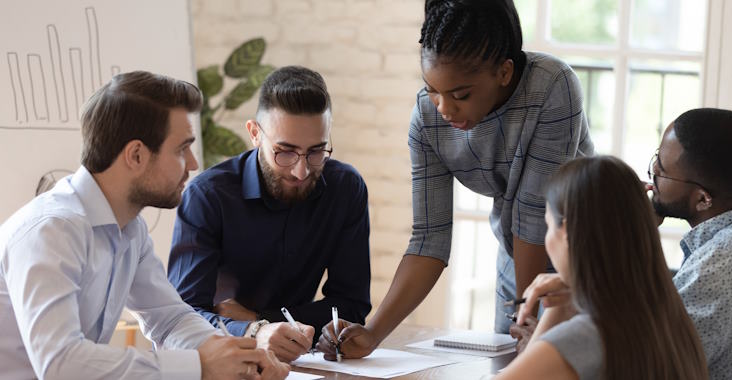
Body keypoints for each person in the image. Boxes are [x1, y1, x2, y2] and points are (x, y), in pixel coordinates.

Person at [318, 0, 593, 358]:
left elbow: (533, 216)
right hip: (518, 252)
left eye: (461, 94)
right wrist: (372, 334)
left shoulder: (552, 86)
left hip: (587, 252)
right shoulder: (427, 119)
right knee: (512, 359)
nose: (444, 108)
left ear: (504, 73)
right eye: (432, 89)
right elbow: (429, 239)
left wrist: (526, 320)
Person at [0, 71, 289, 380]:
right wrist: (199, 366)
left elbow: (170, 319)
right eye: (181, 149)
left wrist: (241, 358)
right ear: (136, 155)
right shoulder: (53, 230)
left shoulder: (129, 229)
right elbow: (61, 364)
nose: (193, 164)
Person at [168, 65, 371, 362]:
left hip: (301, 365)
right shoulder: (208, 196)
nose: (301, 171)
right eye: (285, 151)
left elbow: (351, 306)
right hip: (219, 365)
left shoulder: (346, 188)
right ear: (254, 134)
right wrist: (254, 332)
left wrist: (259, 320)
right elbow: (182, 318)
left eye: (316, 152)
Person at [492, 156, 708, 379]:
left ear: (567, 231)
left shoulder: (585, 337)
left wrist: (557, 311)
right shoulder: (673, 323)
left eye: (548, 226)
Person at [647, 108, 732, 379]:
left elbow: (651, 366)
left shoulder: (721, 260)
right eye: (656, 159)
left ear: (702, 199)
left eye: (662, 170)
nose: (653, 172)